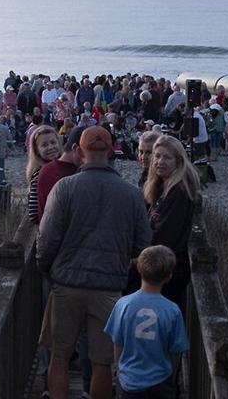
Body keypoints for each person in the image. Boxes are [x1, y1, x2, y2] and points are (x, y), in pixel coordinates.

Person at [37, 126, 152, 399]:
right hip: (108, 286)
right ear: (111, 150)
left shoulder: (64, 188)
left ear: (78, 151)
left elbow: (47, 238)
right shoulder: (130, 194)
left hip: (66, 284)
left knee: (60, 356)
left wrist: (47, 268)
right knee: (103, 361)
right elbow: (143, 244)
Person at [105, 245, 190, 399]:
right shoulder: (172, 310)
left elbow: (117, 342)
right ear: (168, 276)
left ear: (139, 269)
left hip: (129, 381)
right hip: (160, 381)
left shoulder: (123, 304)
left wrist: (119, 368)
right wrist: (171, 377)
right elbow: (176, 351)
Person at [143, 135, 201, 308]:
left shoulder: (179, 191)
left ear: (178, 161)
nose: (160, 161)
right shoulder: (162, 185)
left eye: (167, 157)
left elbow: (165, 235)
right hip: (159, 263)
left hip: (167, 270)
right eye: (157, 156)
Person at [26, 126, 61, 224]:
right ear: (37, 150)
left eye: (53, 142)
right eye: (44, 145)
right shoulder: (38, 174)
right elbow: (33, 214)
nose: (50, 147)